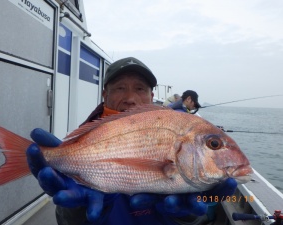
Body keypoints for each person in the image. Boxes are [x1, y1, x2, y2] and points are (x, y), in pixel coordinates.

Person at [26, 57, 237, 225]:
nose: (130, 98)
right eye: (119, 88)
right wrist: (77, 211)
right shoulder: (83, 138)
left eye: (139, 89)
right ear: (104, 94)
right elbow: (65, 222)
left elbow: (197, 216)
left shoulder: (175, 137)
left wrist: (185, 217)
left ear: (151, 94)